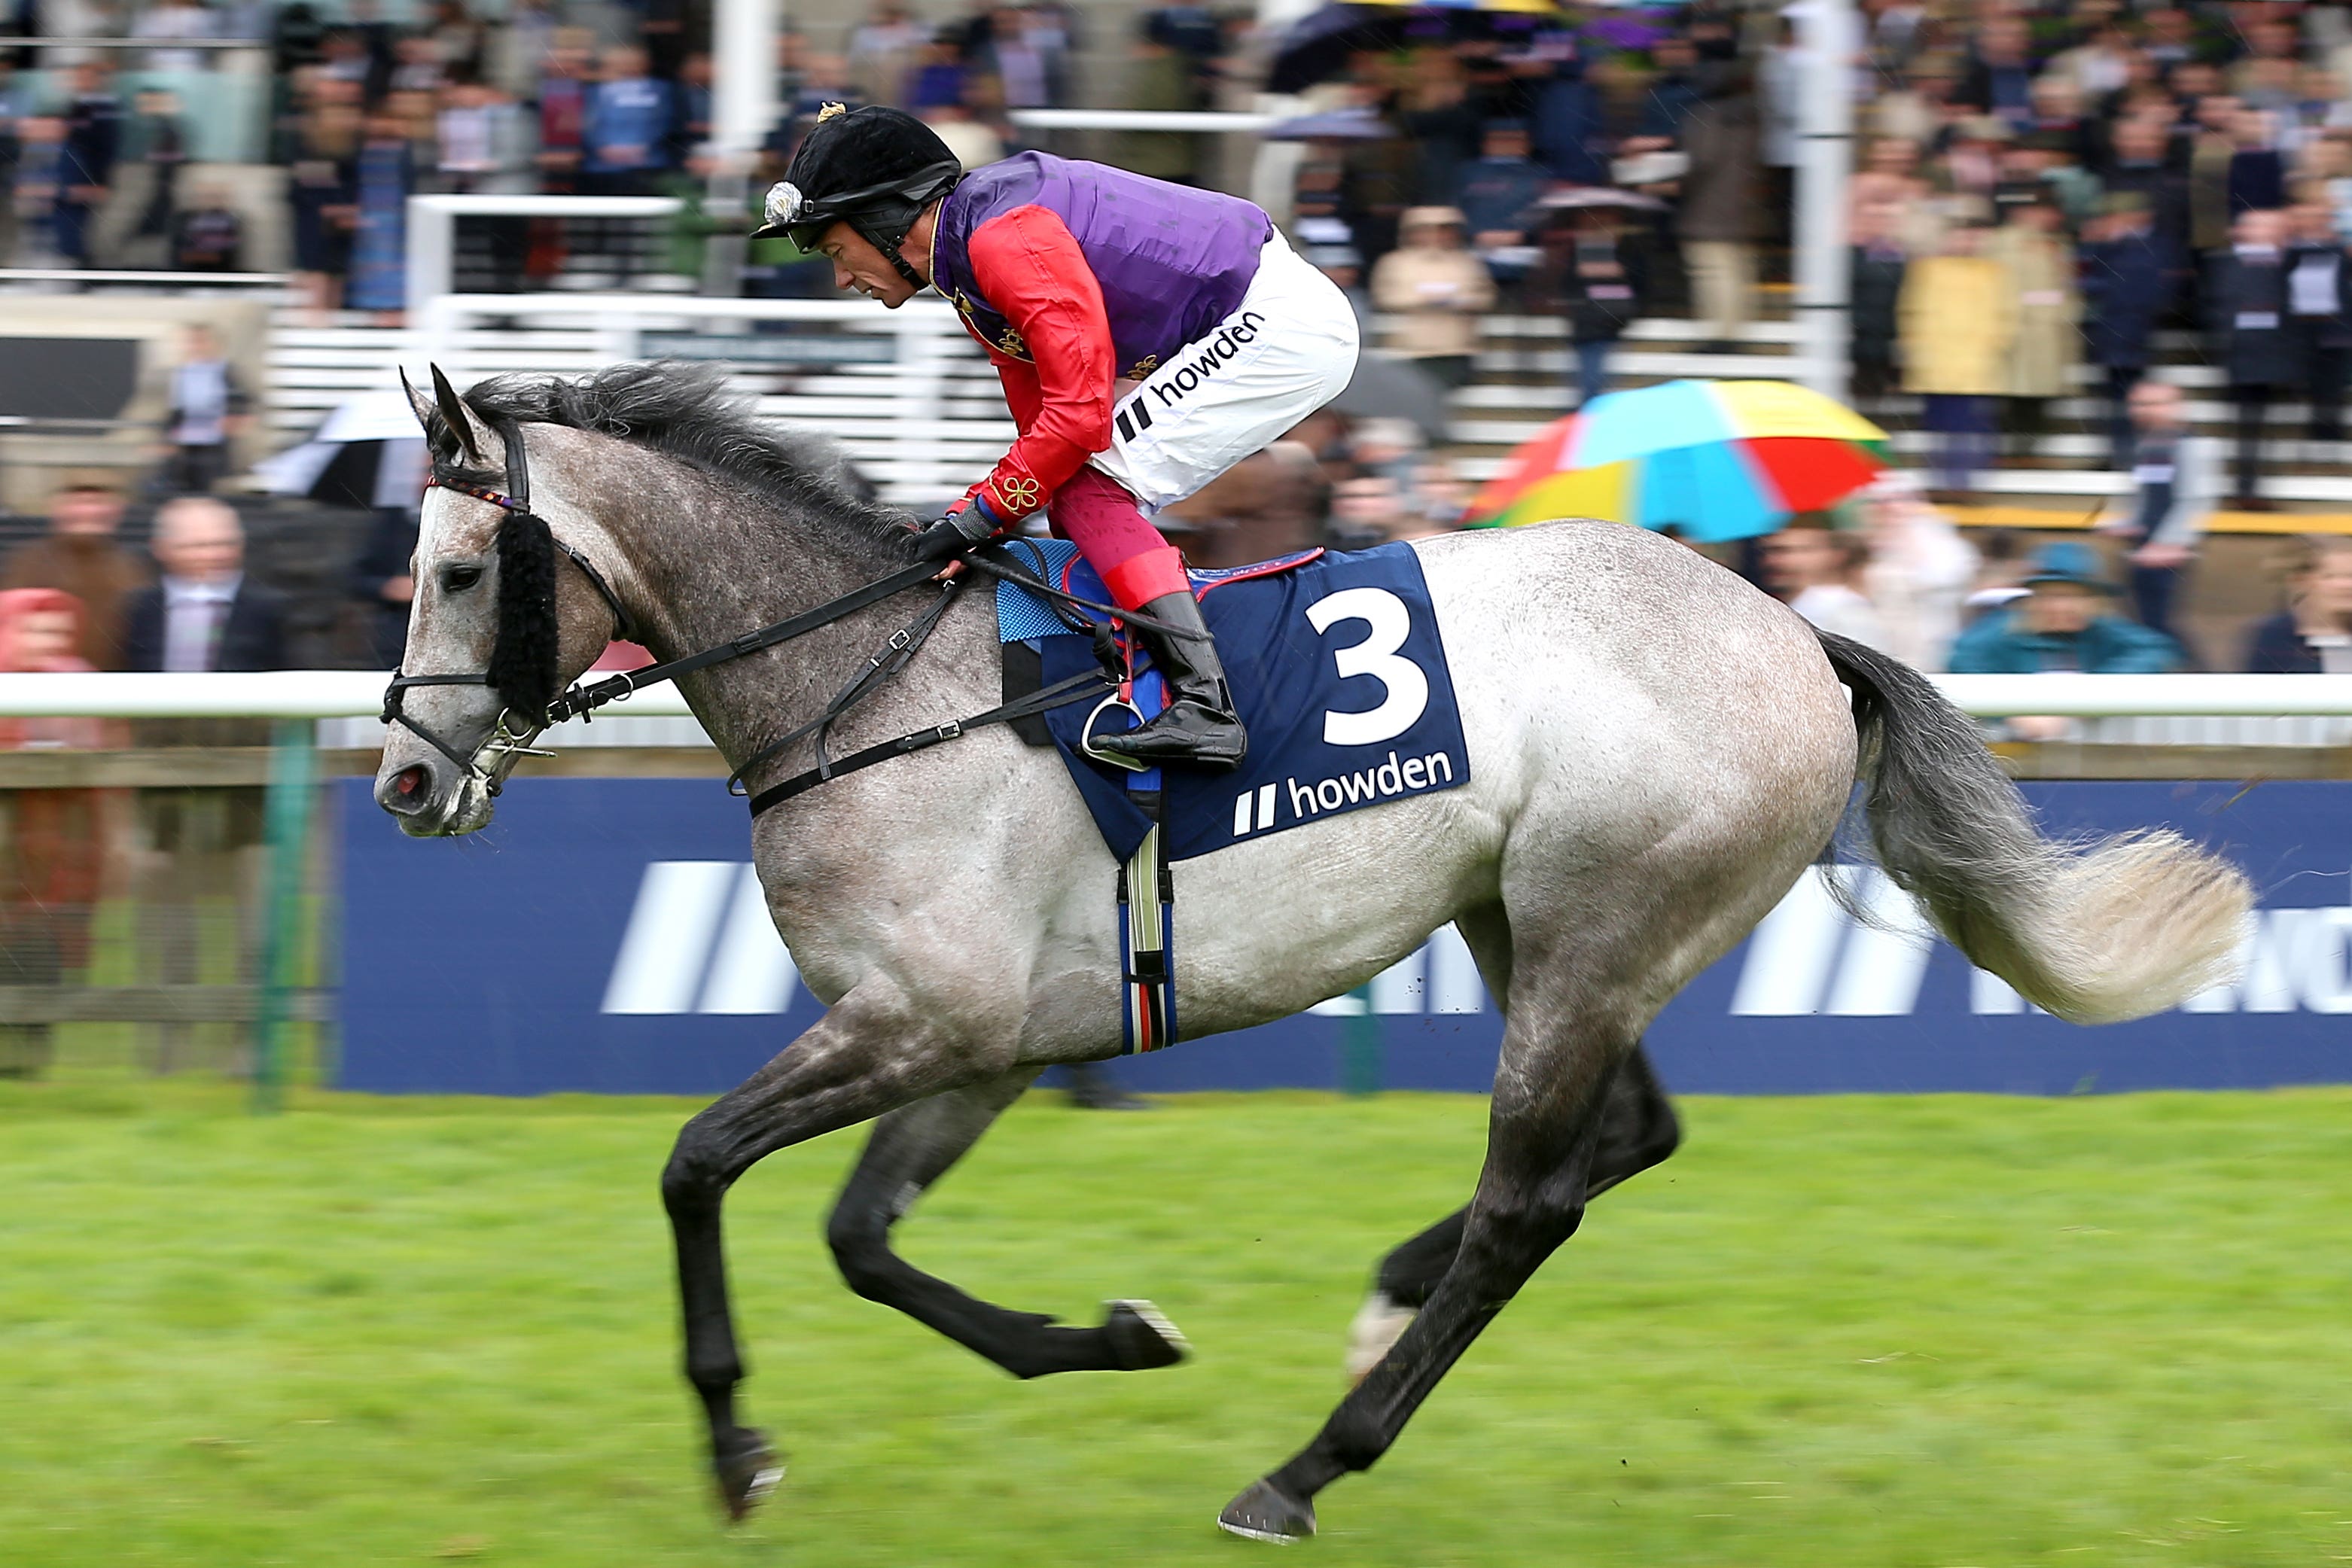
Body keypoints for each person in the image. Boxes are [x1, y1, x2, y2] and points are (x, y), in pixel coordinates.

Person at [757, 105, 1360, 769]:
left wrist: (978, 517)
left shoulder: (1002, 241)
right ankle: (1152, 677)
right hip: (1260, 320)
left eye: (839, 252)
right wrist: (977, 518)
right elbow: (1040, 433)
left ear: (884, 218)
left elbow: (1078, 421)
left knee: (1091, 490)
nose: (843, 279)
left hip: (1278, 324)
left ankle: (1207, 703)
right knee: (1073, 491)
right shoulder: (964, 267)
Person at [0, 589, 121, 1079]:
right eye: (36, 631)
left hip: (55, 851)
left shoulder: (79, 686)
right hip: (10, 842)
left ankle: (29, 1059)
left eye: (58, 633)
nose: (48, 643)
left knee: (41, 944)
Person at [1948, 541, 2183, 742]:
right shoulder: (2000, 634)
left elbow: (2155, 650)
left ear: (2095, 601)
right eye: (2050, 596)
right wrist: (2012, 713)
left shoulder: (2105, 632)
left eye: (2074, 597)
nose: (2061, 607)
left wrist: (2090, 696)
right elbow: (1963, 661)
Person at [2094, 379, 2219, 641]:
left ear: (2178, 407)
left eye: (2154, 404)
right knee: (2145, 623)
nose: (2143, 411)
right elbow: (2145, 495)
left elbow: (2194, 499)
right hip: (2143, 548)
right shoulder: (2149, 445)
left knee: (2161, 626)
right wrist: (2128, 523)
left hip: (2167, 554)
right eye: (2138, 405)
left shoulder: (2191, 446)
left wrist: (2169, 543)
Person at [1898, 221, 2015, 494]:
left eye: (1972, 238)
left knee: (1973, 423)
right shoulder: (1927, 270)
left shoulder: (1994, 273)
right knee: (1940, 422)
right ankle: (1941, 480)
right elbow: (1911, 310)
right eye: (1960, 237)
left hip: (1977, 361)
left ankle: (1970, 481)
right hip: (1937, 360)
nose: (1966, 243)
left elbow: (2006, 314)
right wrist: (1917, 349)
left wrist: (1994, 346)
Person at [121, 497, 287, 674]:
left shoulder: (269, 609)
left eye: (224, 544)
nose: (213, 555)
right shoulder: (139, 607)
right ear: (161, 548)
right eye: (197, 546)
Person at [0, 480, 150, 670]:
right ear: (58, 508)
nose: (87, 512)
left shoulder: (132, 568)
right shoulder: (28, 562)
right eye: (78, 502)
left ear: (115, 511)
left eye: (96, 503)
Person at [2208, 206, 2297, 507]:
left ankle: (2250, 487)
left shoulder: (2285, 262)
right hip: (2245, 356)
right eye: (2265, 227)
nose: (2274, 233)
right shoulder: (2227, 264)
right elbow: (2220, 309)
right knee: (2249, 425)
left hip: (2275, 355)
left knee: (2259, 425)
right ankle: (2246, 488)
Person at [1370, 206, 1494, 392]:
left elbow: (1485, 297)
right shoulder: (1395, 262)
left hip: (1456, 346)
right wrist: (1423, 300)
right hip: (1410, 347)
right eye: (1426, 229)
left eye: (1444, 230)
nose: (1435, 235)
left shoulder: (1468, 262)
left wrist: (1458, 301)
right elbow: (1385, 296)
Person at [1760, 516, 1889, 651]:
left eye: (1797, 550)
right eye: (1770, 551)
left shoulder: (1850, 614)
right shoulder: (1783, 608)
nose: (1774, 560)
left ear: (1835, 555)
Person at [157, 324, 251, 495]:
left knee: (209, 487)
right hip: (185, 443)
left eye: (201, 341)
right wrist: (167, 438)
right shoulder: (181, 373)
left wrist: (234, 420)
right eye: (192, 342)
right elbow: (175, 410)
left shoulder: (226, 371)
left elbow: (242, 402)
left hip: (214, 444)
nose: (196, 347)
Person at [2244, 535, 2352, 672]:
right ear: (2302, 581)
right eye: (2330, 576)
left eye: (2351, 576)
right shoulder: (2275, 636)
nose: (2346, 585)